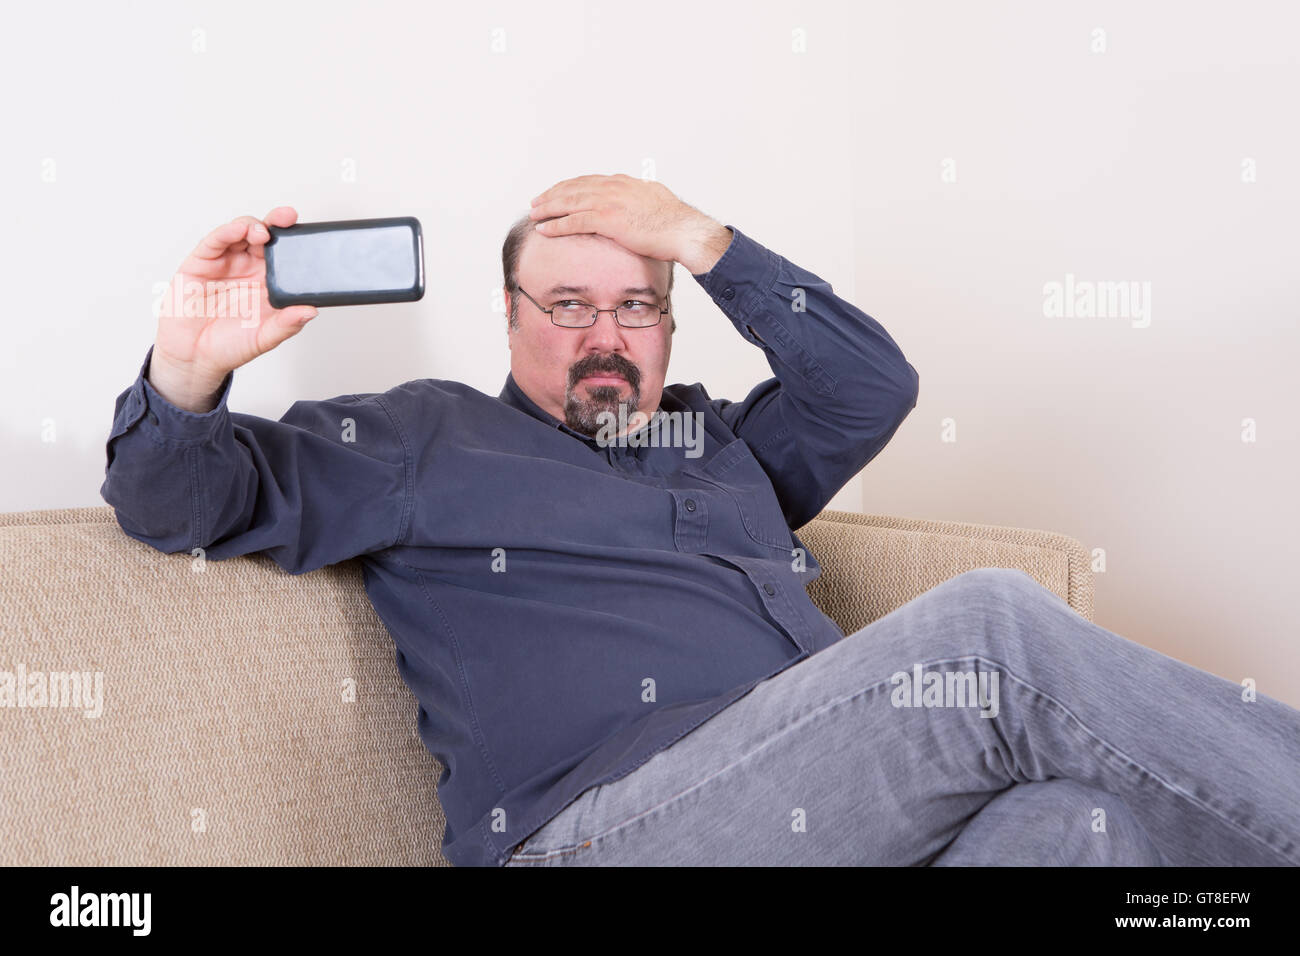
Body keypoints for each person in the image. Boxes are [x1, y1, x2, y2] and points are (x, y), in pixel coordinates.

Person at [101, 174, 1300, 867]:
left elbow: (867, 387)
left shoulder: (720, 444)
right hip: (599, 832)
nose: (605, 335)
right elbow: (183, 501)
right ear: (511, 312)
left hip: (811, 812)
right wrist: (188, 365)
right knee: (988, 629)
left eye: (641, 304)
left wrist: (704, 238)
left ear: (673, 324)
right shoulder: (423, 437)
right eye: (568, 302)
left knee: (1070, 828)